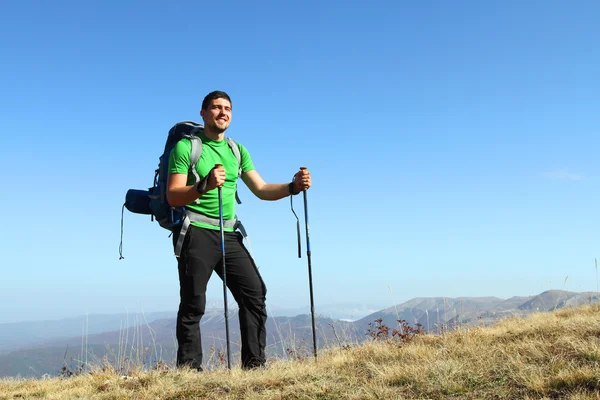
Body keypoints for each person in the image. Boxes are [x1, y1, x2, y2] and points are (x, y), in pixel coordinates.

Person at [165, 90, 312, 370]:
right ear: (203, 113)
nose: (223, 113)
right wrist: (203, 185)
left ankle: (255, 366)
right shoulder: (187, 148)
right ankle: (189, 372)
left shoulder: (236, 149)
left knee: (254, 293)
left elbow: (261, 189)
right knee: (193, 304)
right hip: (196, 230)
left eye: (228, 109)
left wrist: (292, 187)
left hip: (229, 233)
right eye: (217, 108)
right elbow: (173, 196)